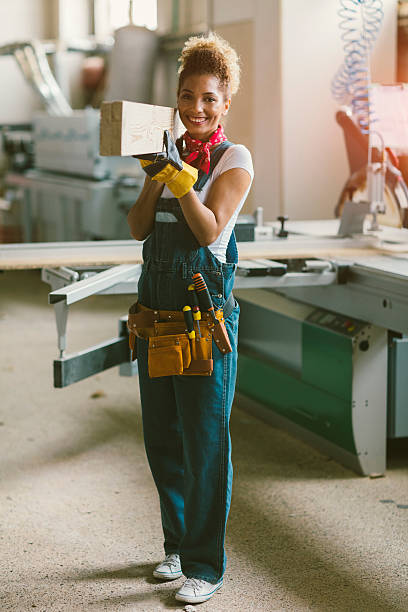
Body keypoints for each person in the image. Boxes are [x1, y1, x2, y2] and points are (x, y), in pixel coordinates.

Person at [127, 32, 253, 605]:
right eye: (186, 96)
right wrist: (157, 176)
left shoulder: (234, 160)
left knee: (205, 443)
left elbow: (209, 230)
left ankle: (205, 564)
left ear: (225, 103)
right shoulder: (166, 148)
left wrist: (182, 180)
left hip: (203, 320)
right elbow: (137, 228)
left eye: (208, 99)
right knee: (163, 437)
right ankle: (176, 546)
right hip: (154, 313)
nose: (196, 109)